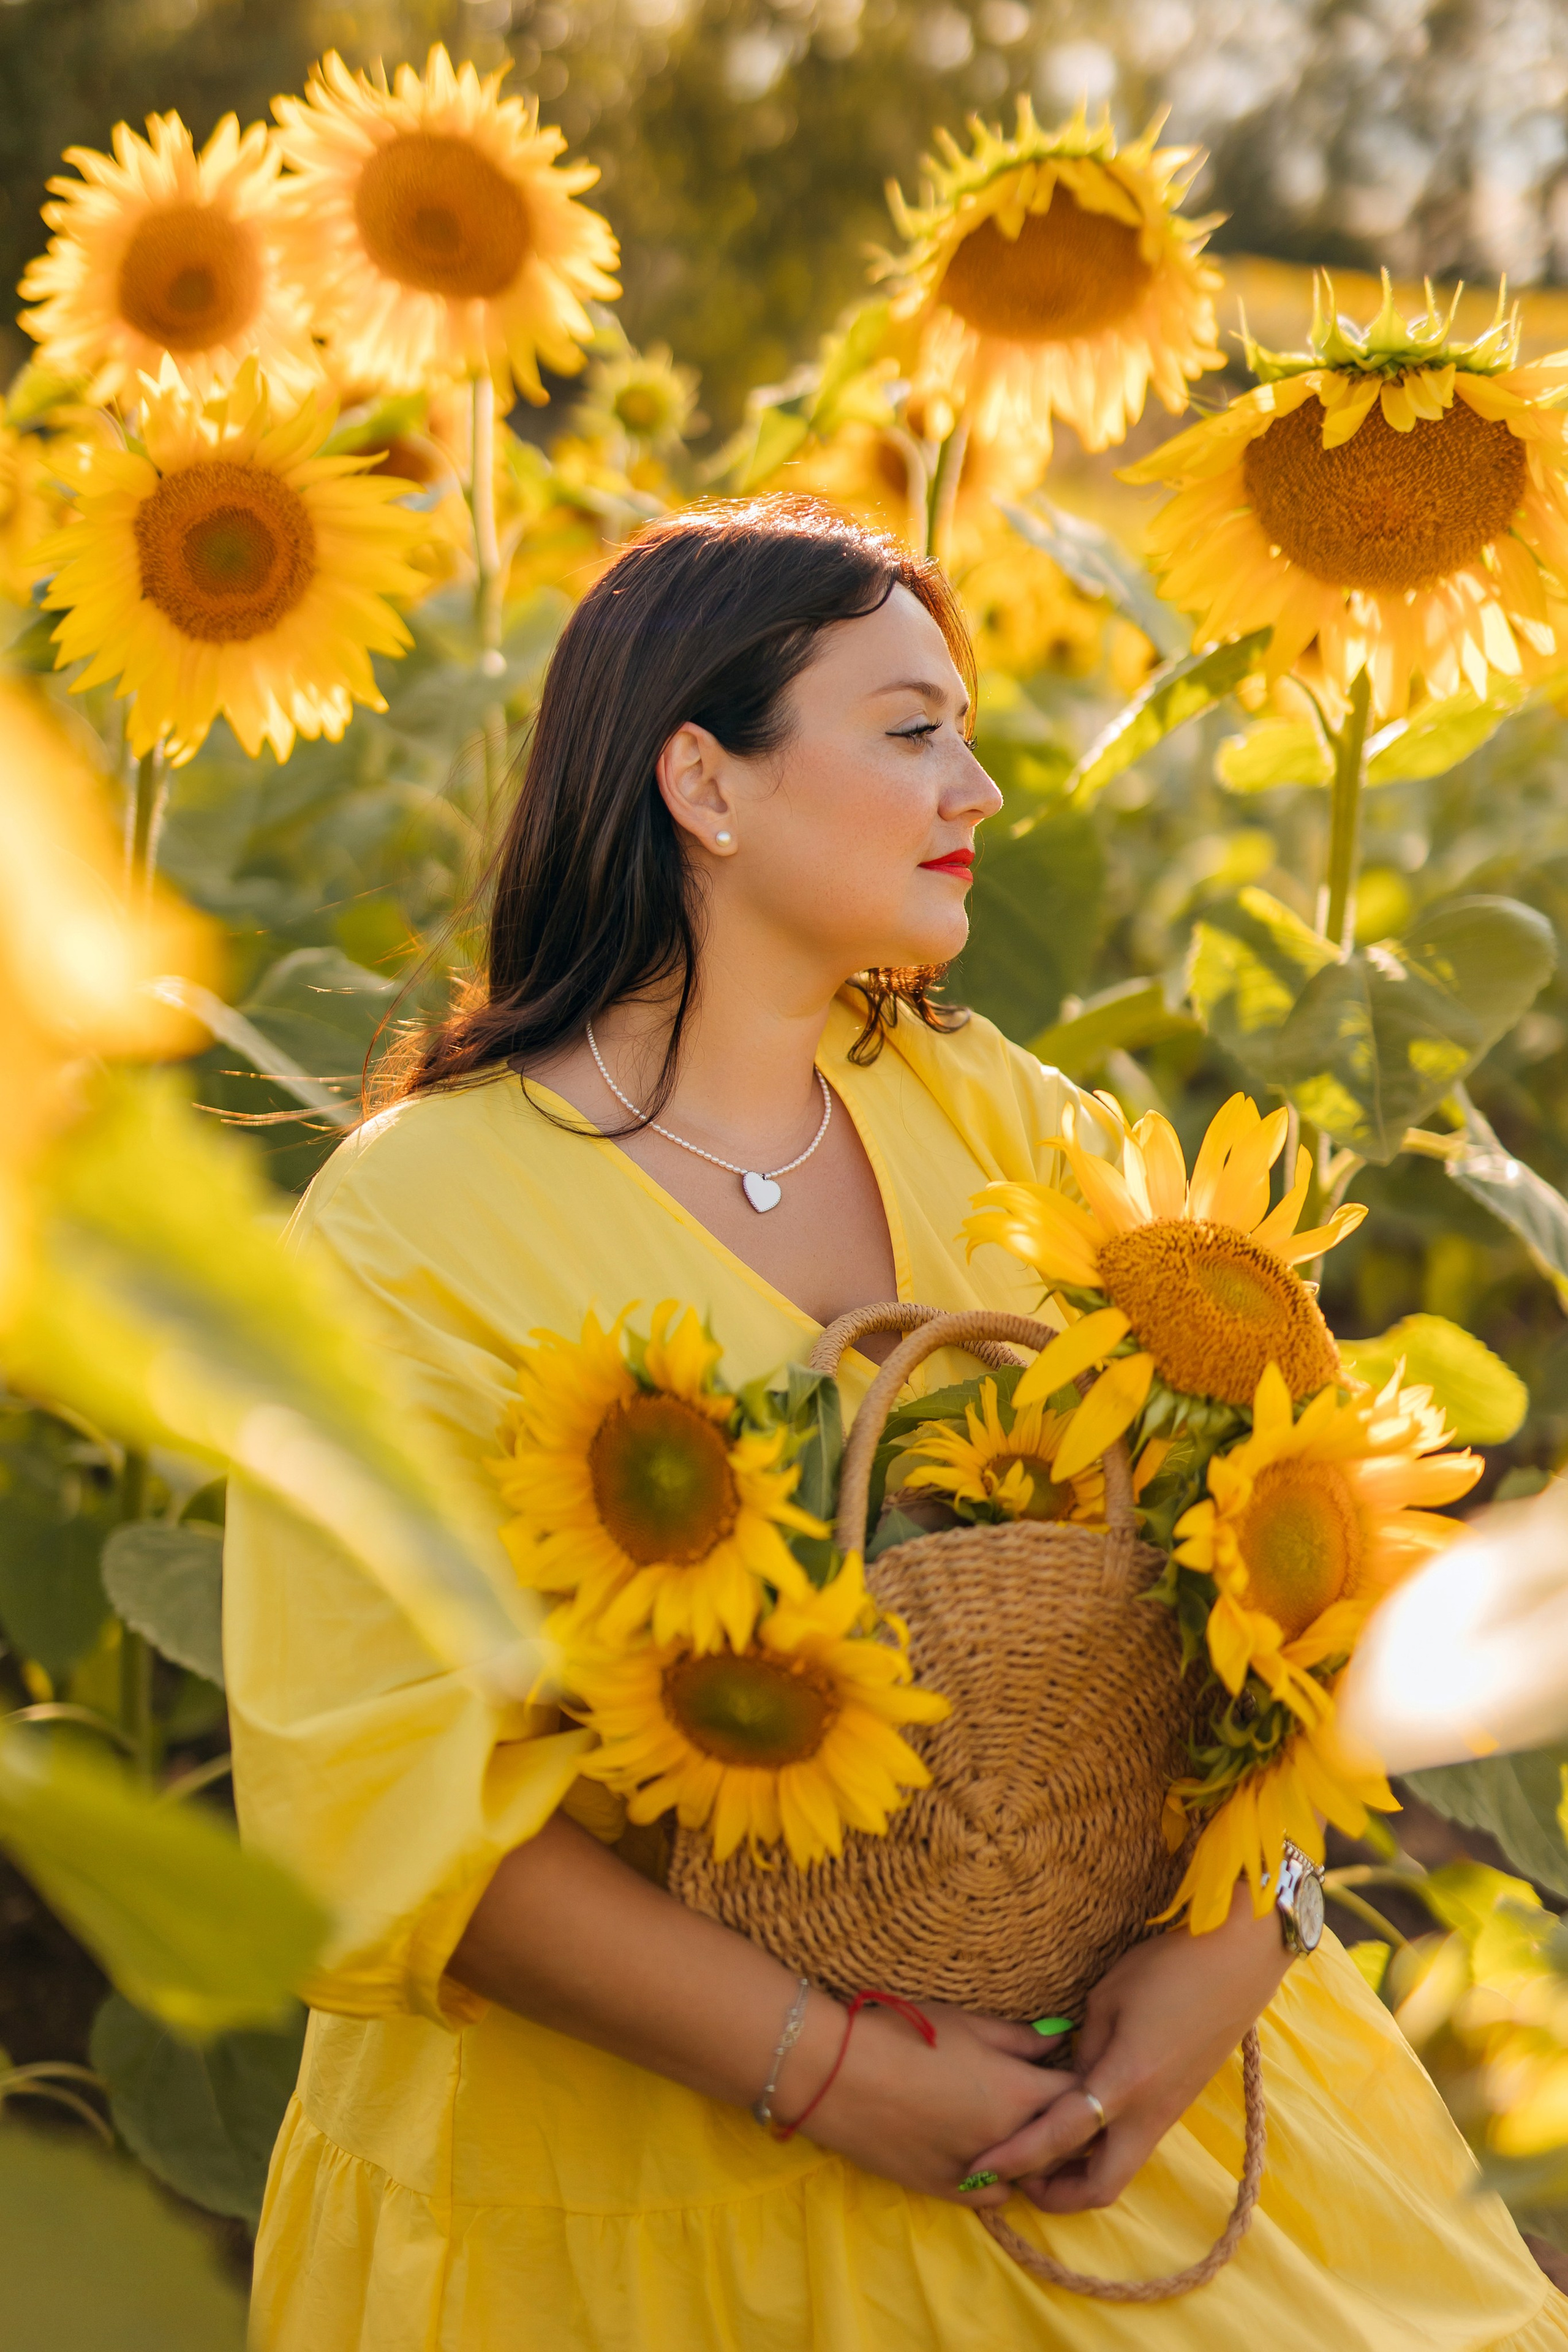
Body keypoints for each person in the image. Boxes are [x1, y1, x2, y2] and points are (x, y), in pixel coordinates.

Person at [231, 496, 1568, 2350]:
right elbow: (383, 1798)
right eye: (911, 728)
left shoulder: (1001, 1122)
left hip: (1119, 2097)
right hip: (646, 2188)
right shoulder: (416, 1222)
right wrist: (834, 2074)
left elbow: (1301, 1556)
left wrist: (1231, 1948)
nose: (981, 793)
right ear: (704, 781)